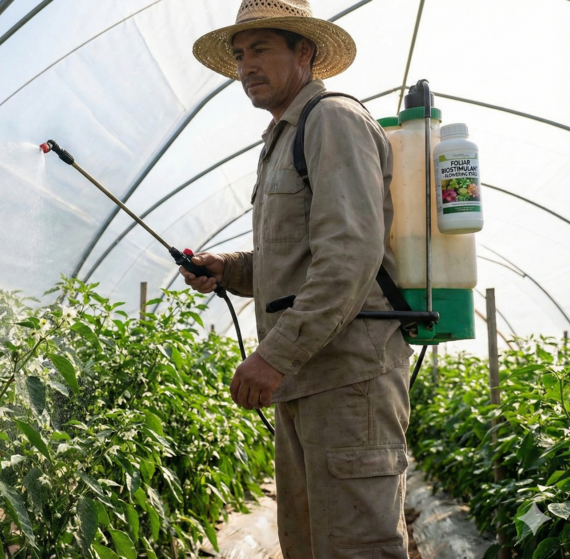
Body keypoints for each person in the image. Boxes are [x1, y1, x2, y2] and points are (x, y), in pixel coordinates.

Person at [182, 1, 414, 557]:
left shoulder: (332, 119)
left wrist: (274, 356)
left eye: (260, 49)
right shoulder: (281, 138)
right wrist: (232, 269)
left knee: (356, 545)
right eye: (239, 56)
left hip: (346, 383)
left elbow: (349, 255)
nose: (246, 67)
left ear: (304, 52)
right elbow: (298, 259)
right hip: (307, 382)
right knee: (308, 544)